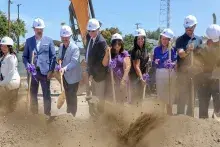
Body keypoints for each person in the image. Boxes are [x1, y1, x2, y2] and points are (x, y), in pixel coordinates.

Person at [23, 18, 56, 116]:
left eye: (41, 28)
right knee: (33, 94)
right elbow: (24, 56)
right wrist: (27, 65)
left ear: (43, 29)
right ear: (34, 29)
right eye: (37, 29)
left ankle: (47, 113)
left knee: (46, 93)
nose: (39, 30)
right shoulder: (29, 41)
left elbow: (53, 56)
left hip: (45, 72)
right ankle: (34, 114)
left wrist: (51, 70)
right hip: (32, 73)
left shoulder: (49, 40)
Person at [175, 15, 203, 116]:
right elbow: (181, 54)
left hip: (194, 74)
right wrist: (188, 50)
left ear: (195, 26)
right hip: (182, 74)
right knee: (182, 98)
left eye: (190, 27)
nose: (188, 29)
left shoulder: (199, 40)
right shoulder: (180, 40)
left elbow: (201, 56)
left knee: (192, 98)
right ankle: (179, 118)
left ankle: (190, 120)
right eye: (186, 27)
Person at [195, 24, 220, 119]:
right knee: (203, 105)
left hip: (216, 79)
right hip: (204, 80)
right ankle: (203, 124)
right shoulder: (200, 48)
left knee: (218, 105)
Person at [56, 25, 81, 116]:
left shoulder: (75, 48)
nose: (65, 38)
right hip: (65, 76)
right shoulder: (61, 46)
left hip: (74, 77)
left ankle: (73, 114)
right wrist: (58, 62)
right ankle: (68, 112)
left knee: (72, 95)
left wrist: (64, 68)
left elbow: (74, 62)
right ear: (61, 37)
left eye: (66, 37)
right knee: (67, 94)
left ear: (70, 36)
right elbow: (59, 57)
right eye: (63, 37)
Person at [85, 18, 108, 114]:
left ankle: (100, 121)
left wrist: (91, 75)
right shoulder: (89, 37)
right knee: (92, 99)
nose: (91, 33)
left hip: (99, 76)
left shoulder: (101, 42)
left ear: (98, 30)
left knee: (99, 100)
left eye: (93, 31)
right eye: (89, 31)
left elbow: (100, 63)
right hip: (91, 74)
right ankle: (93, 119)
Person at [153, 28, 176, 114]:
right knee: (161, 95)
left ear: (170, 40)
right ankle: (161, 115)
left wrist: (172, 64)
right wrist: (155, 62)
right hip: (159, 73)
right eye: (163, 38)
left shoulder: (172, 50)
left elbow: (176, 61)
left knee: (169, 95)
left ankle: (169, 114)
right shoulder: (156, 49)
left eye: (167, 39)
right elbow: (153, 61)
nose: (164, 40)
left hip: (169, 73)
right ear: (160, 39)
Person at [102, 33, 131, 103]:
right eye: (115, 43)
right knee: (112, 100)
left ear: (121, 44)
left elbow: (128, 66)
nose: (117, 45)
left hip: (121, 80)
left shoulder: (125, 53)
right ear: (112, 44)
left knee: (122, 100)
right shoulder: (110, 54)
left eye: (119, 43)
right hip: (111, 81)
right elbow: (104, 64)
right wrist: (106, 53)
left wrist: (123, 80)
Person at [0, 37, 20, 113]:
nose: (3, 48)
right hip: (5, 83)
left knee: (11, 106)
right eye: (2, 46)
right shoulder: (2, 57)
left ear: (10, 47)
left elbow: (10, 73)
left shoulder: (12, 57)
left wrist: (1, 83)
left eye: (6, 46)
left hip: (13, 84)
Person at [130, 28, 149, 103]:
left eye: (142, 38)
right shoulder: (136, 51)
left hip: (141, 76)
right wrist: (141, 79)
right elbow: (136, 66)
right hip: (136, 78)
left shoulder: (144, 50)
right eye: (138, 39)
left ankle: (139, 112)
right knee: (136, 98)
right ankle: (135, 113)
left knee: (140, 98)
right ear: (135, 40)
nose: (140, 40)